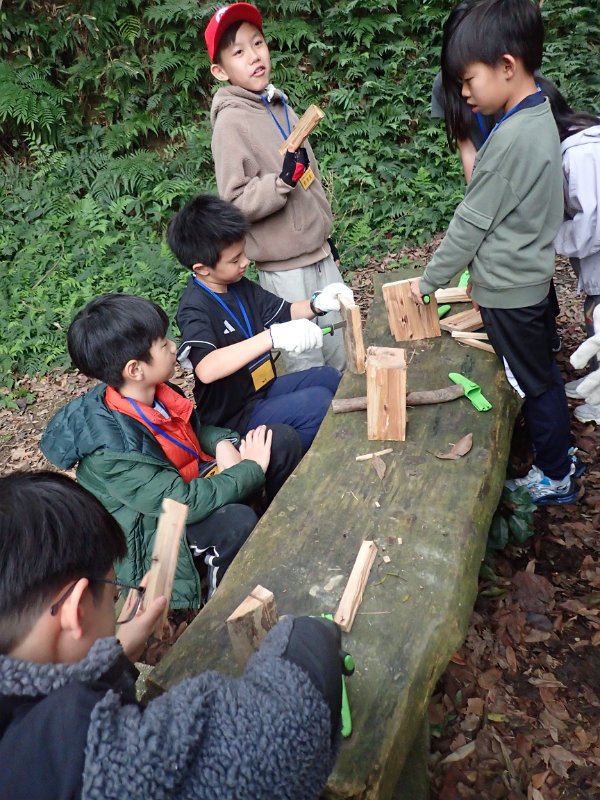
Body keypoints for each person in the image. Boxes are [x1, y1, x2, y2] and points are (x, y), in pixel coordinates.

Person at [0, 470, 343, 800]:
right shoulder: (91, 761)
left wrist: (114, 658)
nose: (117, 607)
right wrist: (309, 635)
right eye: (113, 597)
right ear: (76, 611)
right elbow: (279, 732)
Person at [410, 0, 579, 505]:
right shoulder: (539, 113)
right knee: (542, 375)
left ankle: (555, 474)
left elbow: (469, 224)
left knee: (533, 383)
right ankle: (562, 457)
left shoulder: (509, 141)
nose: (463, 93)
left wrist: (428, 282)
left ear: (507, 65)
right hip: (530, 277)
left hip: (510, 291)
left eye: (469, 80)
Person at [41, 293, 303, 606]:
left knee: (279, 441)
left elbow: (193, 429)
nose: (174, 346)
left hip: (192, 480)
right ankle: (218, 607)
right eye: (163, 343)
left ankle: (275, 530)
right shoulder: (111, 454)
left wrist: (223, 443)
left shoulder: (155, 391)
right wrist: (250, 469)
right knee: (234, 522)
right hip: (155, 533)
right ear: (135, 369)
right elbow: (182, 502)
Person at [204, 2, 347, 373]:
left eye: (258, 43)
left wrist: (327, 241)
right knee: (307, 361)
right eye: (238, 52)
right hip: (285, 271)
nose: (254, 56)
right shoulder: (231, 123)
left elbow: (310, 180)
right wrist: (281, 182)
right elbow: (234, 202)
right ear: (220, 71)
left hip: (320, 257)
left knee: (342, 350)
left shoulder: (280, 105)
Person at [171, 194, 347, 453]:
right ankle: (302, 462)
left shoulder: (239, 286)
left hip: (262, 388)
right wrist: (272, 337)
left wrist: (317, 303)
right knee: (318, 403)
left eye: (243, 252)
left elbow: (285, 312)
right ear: (202, 268)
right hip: (234, 415)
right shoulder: (194, 307)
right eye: (234, 260)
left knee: (329, 378)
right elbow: (207, 369)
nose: (245, 261)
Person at [540, 78, 600, 422]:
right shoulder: (576, 144)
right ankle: (594, 383)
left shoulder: (581, 154)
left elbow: (591, 225)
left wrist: (548, 238)